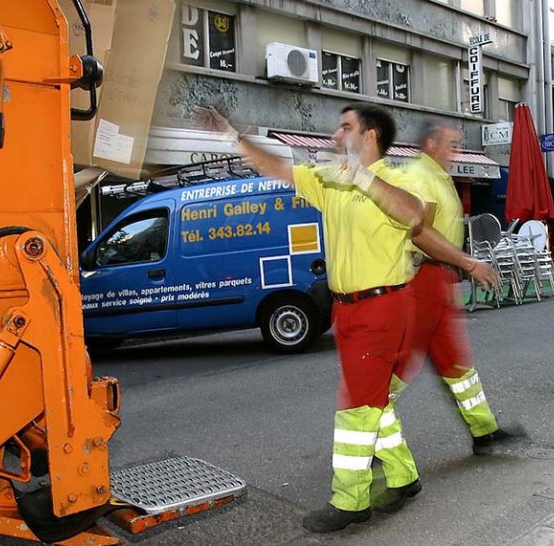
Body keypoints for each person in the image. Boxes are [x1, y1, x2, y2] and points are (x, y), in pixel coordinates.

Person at [201, 104, 496, 533]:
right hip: (348, 307)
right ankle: (403, 475)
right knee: (374, 399)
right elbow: (278, 169)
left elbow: (416, 215)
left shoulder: (397, 177)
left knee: (357, 407)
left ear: (371, 135)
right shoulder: (329, 181)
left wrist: (360, 176)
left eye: (345, 127)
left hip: (382, 305)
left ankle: (351, 499)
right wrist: (232, 135)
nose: (337, 134)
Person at [373, 122, 527, 507]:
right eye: (451, 143)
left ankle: (484, 432)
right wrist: (469, 263)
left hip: (438, 281)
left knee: (457, 367)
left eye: (458, 144)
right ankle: (372, 432)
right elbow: (418, 232)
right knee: (400, 366)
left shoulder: (437, 175)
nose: (456, 149)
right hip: (423, 279)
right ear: (430, 144)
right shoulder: (421, 176)